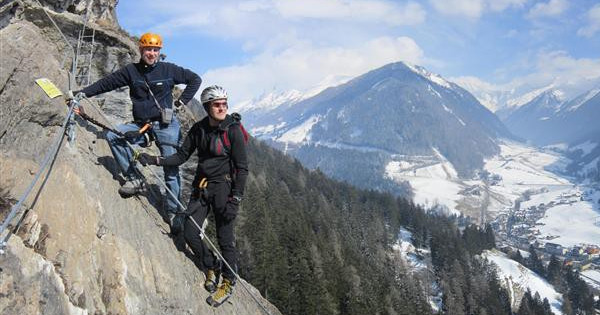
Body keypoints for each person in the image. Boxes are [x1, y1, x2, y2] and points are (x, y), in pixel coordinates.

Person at [138, 85, 249, 307]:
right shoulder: (199, 129)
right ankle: (211, 265)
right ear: (208, 107)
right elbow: (181, 156)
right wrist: (155, 160)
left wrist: (235, 199)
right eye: (217, 104)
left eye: (224, 104)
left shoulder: (233, 130)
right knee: (189, 231)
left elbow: (242, 168)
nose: (222, 108)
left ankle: (228, 281)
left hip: (224, 190)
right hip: (202, 187)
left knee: (225, 239)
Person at [76, 32, 202, 220]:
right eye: (148, 49)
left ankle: (173, 212)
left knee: (171, 166)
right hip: (142, 125)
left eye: (155, 50)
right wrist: (82, 93)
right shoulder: (131, 72)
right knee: (114, 136)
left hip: (166, 125)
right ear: (141, 50)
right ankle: (135, 178)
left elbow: (195, 80)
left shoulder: (169, 70)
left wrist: (180, 102)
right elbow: (106, 84)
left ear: (159, 51)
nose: (152, 53)